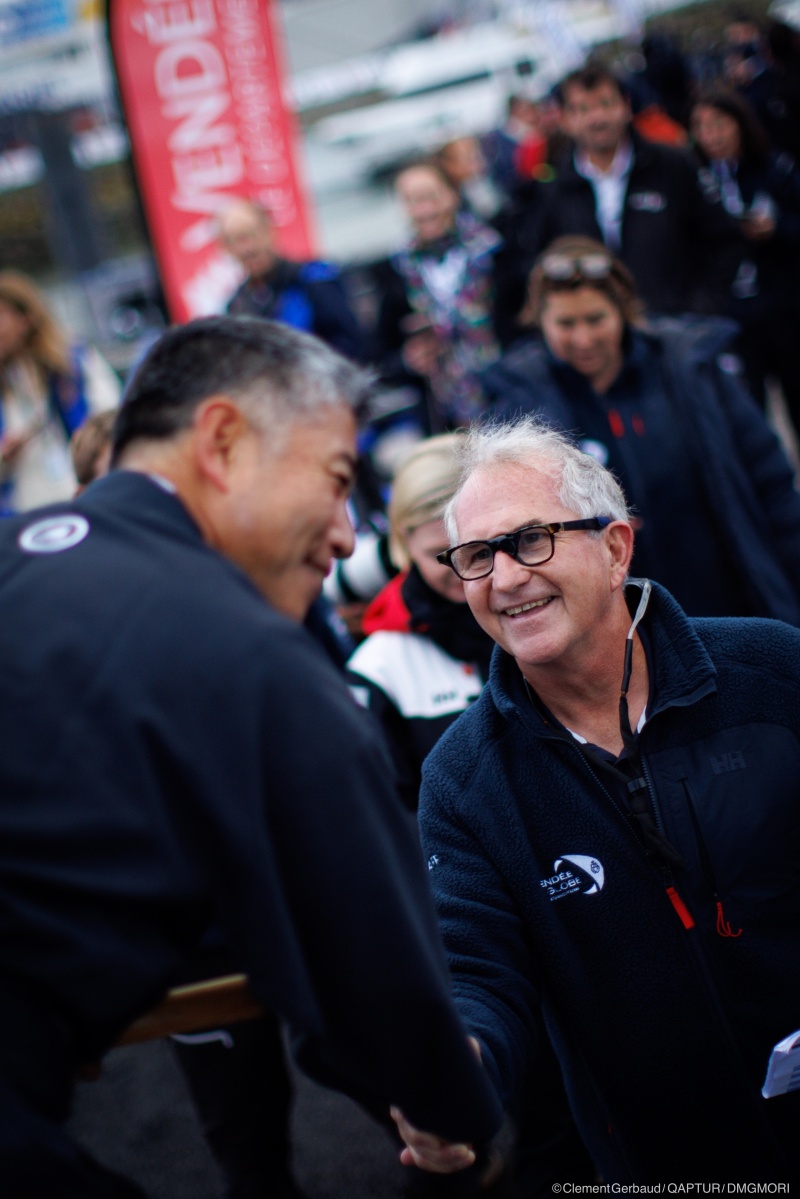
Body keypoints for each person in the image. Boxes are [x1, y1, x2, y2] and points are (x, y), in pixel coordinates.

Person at [0, 316, 502, 1197]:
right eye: (337, 479)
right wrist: (463, 1115)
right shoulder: (251, 657)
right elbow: (373, 978)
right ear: (223, 441)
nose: (349, 536)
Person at [393, 417, 800, 1182]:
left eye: (532, 538)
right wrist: (456, 1074)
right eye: (476, 555)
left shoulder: (771, 670)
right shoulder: (464, 779)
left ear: (616, 548)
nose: (506, 577)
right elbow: (477, 974)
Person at [479, 235, 800, 623]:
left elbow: (771, 481)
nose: (583, 338)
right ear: (539, 321)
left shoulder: (689, 369)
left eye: (596, 319)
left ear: (624, 310)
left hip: (731, 599)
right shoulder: (520, 400)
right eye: (565, 324)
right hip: (620, 624)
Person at [505, 63, 740, 317]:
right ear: (565, 119)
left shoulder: (672, 164)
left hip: (680, 331)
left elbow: (724, 240)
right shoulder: (553, 189)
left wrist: (700, 310)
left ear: (625, 106)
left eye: (606, 104)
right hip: (602, 342)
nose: (597, 118)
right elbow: (537, 263)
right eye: (582, 109)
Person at [347, 433, 494, 812]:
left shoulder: (545, 619)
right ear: (401, 544)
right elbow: (386, 817)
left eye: (479, 549)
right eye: (440, 554)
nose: (463, 571)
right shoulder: (378, 669)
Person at [371, 160, 515, 433]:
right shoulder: (396, 269)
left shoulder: (495, 248)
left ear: (453, 195)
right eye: (412, 201)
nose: (424, 210)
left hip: (511, 398)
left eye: (431, 197)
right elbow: (381, 353)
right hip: (449, 421)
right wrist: (409, 360)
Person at [689, 87, 800, 430]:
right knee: (750, 414)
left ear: (739, 124)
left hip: (784, 306)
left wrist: (776, 228)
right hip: (733, 315)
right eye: (702, 127)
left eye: (720, 124)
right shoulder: (694, 178)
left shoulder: (773, 167)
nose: (712, 136)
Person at [0, 270, 120, 514]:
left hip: (88, 502)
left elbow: (113, 423)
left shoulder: (74, 363)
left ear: (26, 318)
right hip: (24, 518)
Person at [216, 198, 364, 360]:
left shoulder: (314, 279)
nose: (248, 248)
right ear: (226, 249)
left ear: (269, 231)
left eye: (251, 234)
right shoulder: (237, 308)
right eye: (236, 240)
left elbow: (353, 344)